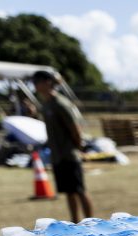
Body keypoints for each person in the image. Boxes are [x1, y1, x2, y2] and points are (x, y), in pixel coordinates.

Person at [33, 70, 92, 223]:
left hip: (69, 154)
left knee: (79, 190)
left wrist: (78, 148)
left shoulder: (60, 103)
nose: (35, 85)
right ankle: (75, 223)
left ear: (48, 82)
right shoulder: (46, 105)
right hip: (57, 155)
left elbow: (75, 128)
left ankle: (91, 223)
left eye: (38, 81)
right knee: (69, 192)